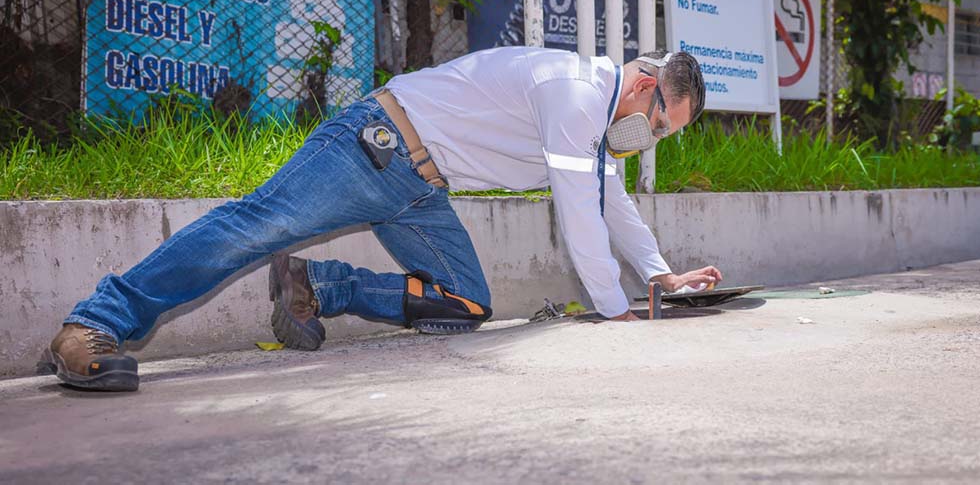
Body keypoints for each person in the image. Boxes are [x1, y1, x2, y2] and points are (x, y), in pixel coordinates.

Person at [39, 46, 722, 392]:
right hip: (377, 145)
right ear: (642, 87)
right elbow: (582, 220)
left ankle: (319, 286)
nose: (653, 138)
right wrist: (617, 312)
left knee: (467, 302)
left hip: (418, 188)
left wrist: (661, 278)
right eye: (661, 124)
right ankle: (95, 322)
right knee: (255, 223)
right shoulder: (575, 95)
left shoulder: (598, 121)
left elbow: (612, 204)